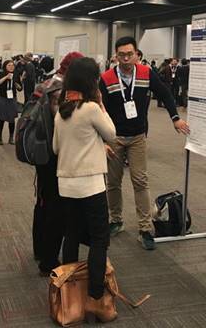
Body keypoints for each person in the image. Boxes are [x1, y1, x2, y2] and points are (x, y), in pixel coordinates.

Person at [101, 37, 190, 250]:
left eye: (129, 54)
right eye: (121, 55)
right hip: (114, 138)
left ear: (137, 54)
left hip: (138, 137)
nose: (125, 58)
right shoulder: (106, 78)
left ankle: (145, 228)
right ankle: (116, 220)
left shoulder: (146, 73)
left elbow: (165, 94)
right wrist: (101, 140)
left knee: (140, 181)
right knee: (113, 182)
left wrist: (175, 117)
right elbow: (99, 108)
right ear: (115, 56)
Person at [53, 57, 118, 323]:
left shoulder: (62, 110)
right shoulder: (91, 108)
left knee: (71, 235)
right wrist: (101, 105)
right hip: (90, 184)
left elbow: (56, 148)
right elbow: (111, 133)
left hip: (66, 184)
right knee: (100, 239)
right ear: (92, 82)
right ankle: (95, 299)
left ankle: (70, 294)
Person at [32, 51, 83, 275]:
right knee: (56, 209)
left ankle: (40, 249)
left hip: (40, 151)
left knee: (42, 202)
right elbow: (64, 122)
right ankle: (49, 260)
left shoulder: (45, 84)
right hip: (56, 155)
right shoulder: (62, 91)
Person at [0, 59, 22, 145]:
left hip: (12, 98)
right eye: (9, 65)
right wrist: (6, 77)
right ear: (5, 66)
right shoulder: (1, 74)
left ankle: (11, 138)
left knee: (11, 119)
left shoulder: (16, 74)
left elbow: (20, 88)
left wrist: (18, 85)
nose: (11, 67)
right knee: (1, 118)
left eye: (12, 65)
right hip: (3, 98)